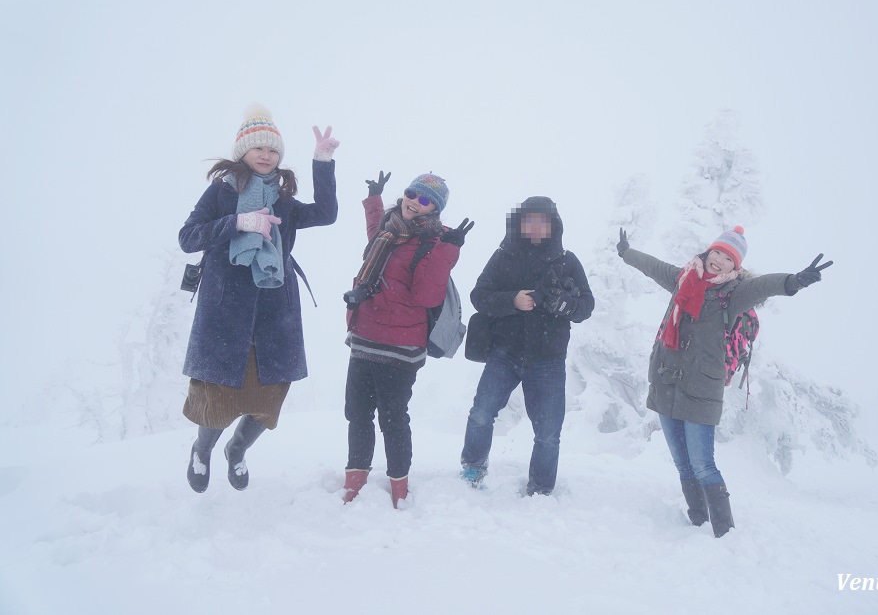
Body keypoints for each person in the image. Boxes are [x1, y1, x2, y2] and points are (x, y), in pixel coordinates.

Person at [617, 225, 831, 537]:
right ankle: (698, 522)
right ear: (708, 252)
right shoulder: (682, 279)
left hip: (701, 388)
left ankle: (724, 534)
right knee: (682, 465)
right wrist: (626, 253)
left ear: (735, 267)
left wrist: (794, 281)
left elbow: (763, 287)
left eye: (728, 258)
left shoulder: (732, 295)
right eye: (717, 252)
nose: (719, 260)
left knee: (703, 465)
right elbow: (652, 266)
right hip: (666, 381)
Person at [180, 105, 340, 493]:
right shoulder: (221, 193)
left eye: (273, 149)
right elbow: (189, 237)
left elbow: (326, 213)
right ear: (243, 152)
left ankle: (237, 450)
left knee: (269, 396)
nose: (266, 155)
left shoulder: (283, 200)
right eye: (258, 148)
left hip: (274, 311)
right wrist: (238, 222)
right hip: (225, 311)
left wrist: (322, 162)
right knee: (217, 394)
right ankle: (202, 450)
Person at [341, 171, 474, 508]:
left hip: (400, 346)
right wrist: (374, 200)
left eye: (426, 200)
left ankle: (399, 486)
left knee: (392, 417)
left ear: (435, 209)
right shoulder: (389, 228)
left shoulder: (433, 241)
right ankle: (354, 479)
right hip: (365, 336)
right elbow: (374, 237)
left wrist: (448, 251)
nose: (415, 202)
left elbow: (427, 295)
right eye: (412, 194)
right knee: (357, 413)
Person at [459, 197, 595, 496]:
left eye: (542, 221)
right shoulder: (503, 256)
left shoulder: (567, 261)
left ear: (552, 225)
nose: (535, 227)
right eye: (529, 220)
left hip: (548, 360)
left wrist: (566, 304)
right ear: (519, 224)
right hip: (503, 354)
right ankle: (472, 468)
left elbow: (586, 306)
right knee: (481, 414)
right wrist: (512, 301)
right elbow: (479, 295)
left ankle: (541, 489)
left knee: (548, 433)